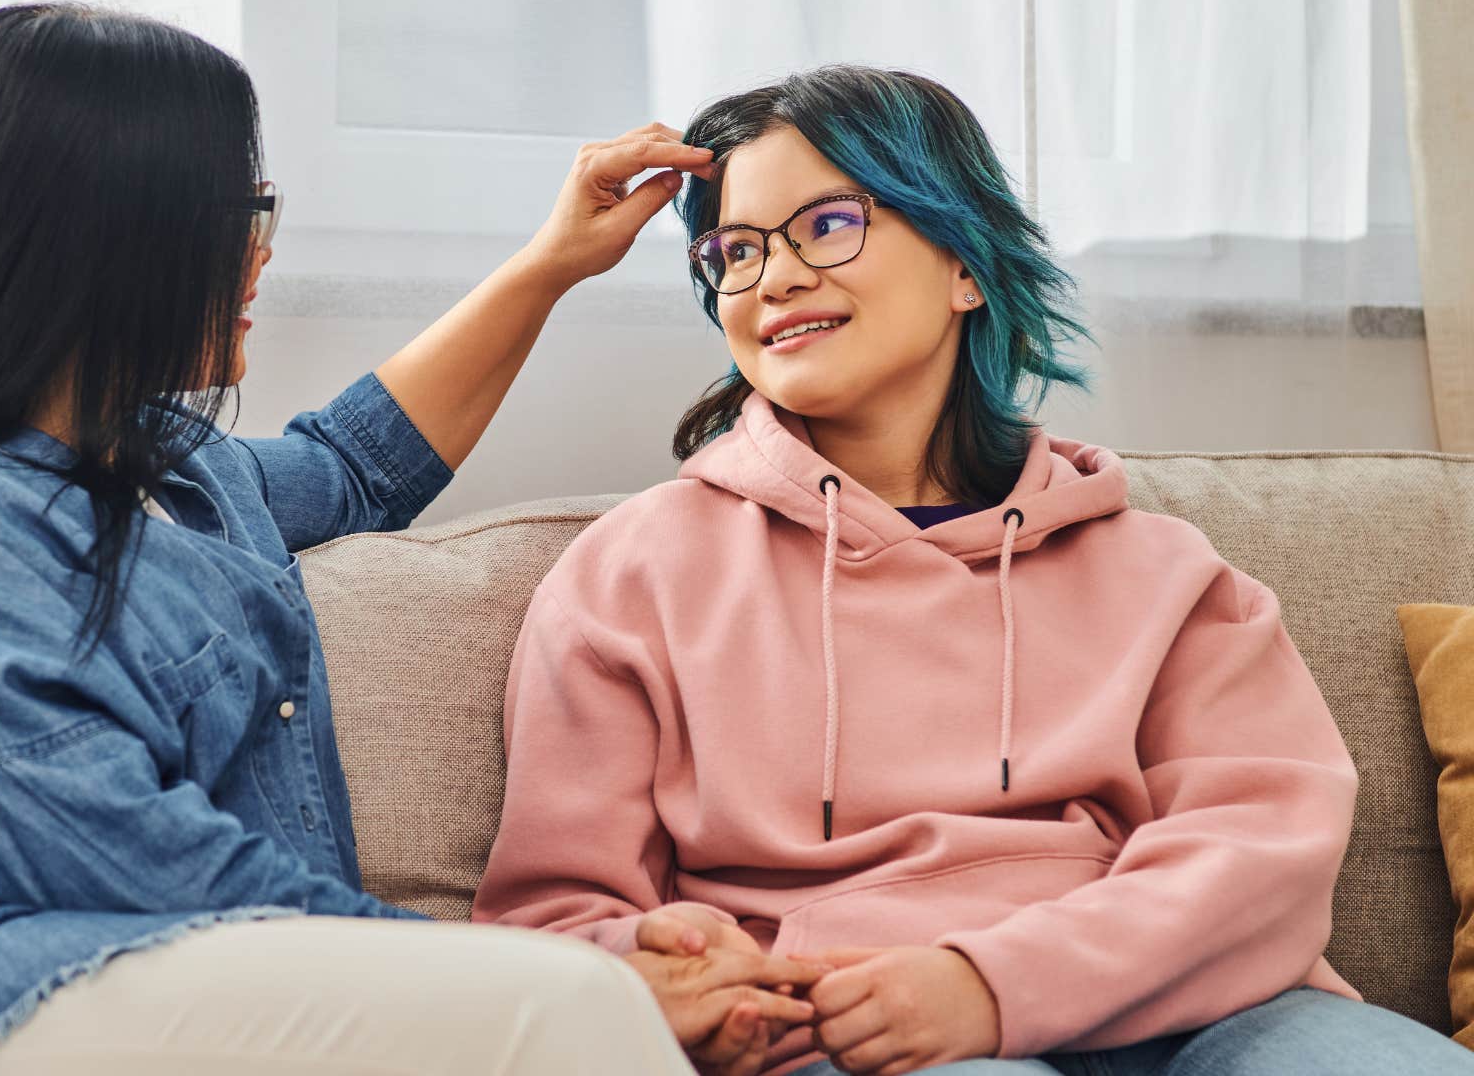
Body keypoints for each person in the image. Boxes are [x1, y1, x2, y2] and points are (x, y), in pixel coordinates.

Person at [0, 5, 823, 1073]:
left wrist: (553, 262)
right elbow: (106, 857)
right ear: (119, 235)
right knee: (563, 1019)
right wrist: (566, 975)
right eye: (244, 211)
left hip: (163, 991)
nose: (266, 250)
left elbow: (361, 464)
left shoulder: (178, 472)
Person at [472, 64, 1474, 1076]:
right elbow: (552, 917)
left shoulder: (1162, 570)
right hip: (851, 1028)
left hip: (1201, 1012)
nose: (772, 277)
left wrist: (992, 985)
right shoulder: (629, 577)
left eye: (826, 225)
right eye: (735, 250)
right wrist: (669, 976)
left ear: (969, 264)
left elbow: (1262, 844)